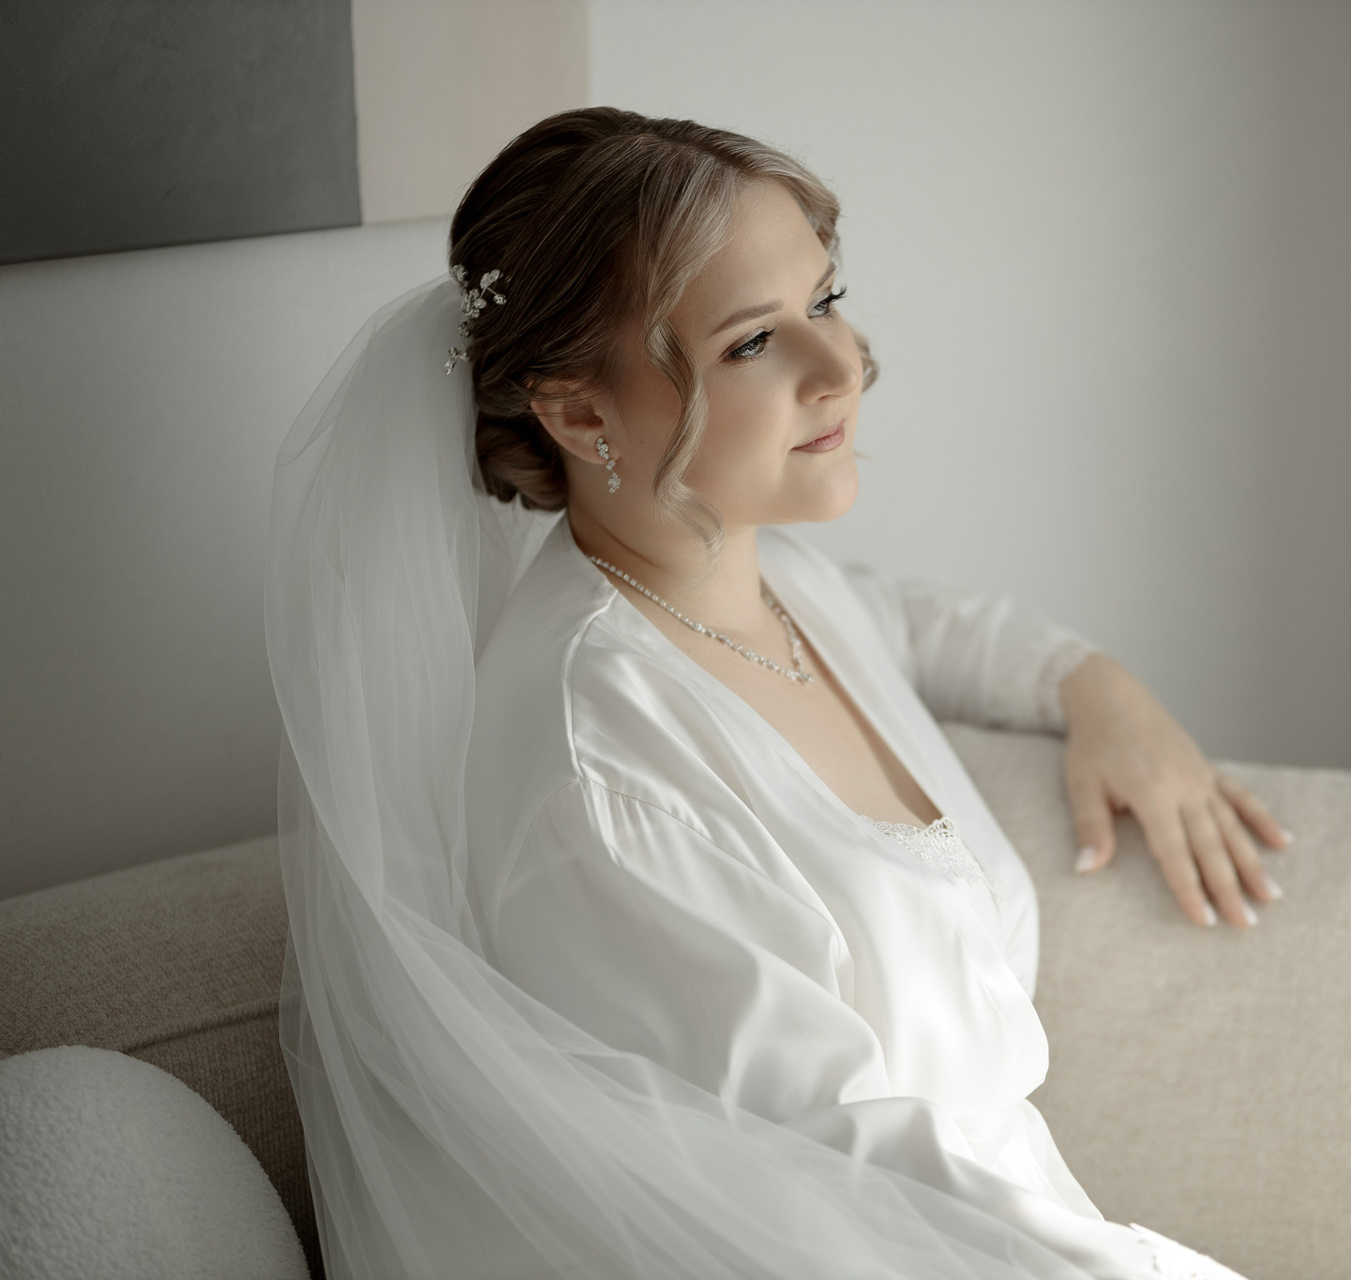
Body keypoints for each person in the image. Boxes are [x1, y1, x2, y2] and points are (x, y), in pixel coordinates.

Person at [266, 108, 1286, 1280]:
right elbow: (834, 1176)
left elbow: (932, 625)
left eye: (826, 300)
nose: (842, 365)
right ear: (580, 410)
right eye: (753, 341)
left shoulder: (768, 577)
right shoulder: (603, 763)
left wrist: (1100, 688)